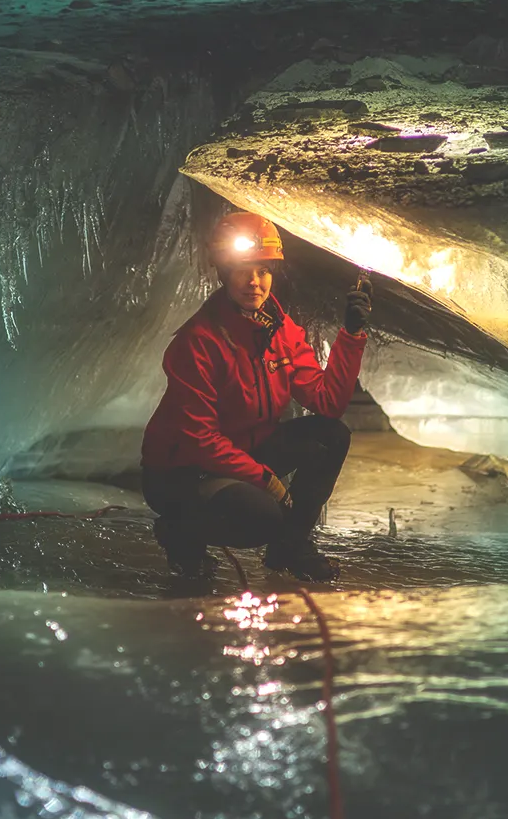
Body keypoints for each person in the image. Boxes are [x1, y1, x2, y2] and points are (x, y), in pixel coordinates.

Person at [140, 212, 373, 581]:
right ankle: (180, 532)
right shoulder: (198, 342)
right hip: (184, 472)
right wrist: (265, 478)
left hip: (244, 454)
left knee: (332, 435)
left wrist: (352, 336)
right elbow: (200, 440)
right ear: (223, 273)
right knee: (262, 517)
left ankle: (290, 547)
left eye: (263, 270)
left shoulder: (280, 331)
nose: (254, 282)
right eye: (242, 270)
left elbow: (327, 403)